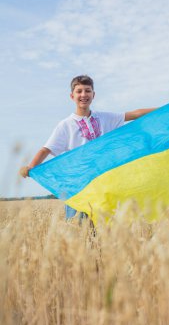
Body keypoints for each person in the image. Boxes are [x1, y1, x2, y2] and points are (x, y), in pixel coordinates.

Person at [20, 74, 156, 220]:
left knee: (107, 225)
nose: (83, 94)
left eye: (87, 90)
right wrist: (30, 167)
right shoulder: (65, 125)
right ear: (72, 96)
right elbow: (46, 149)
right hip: (78, 185)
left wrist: (165, 109)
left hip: (103, 182)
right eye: (79, 91)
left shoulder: (105, 118)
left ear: (93, 94)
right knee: (78, 227)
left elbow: (134, 114)